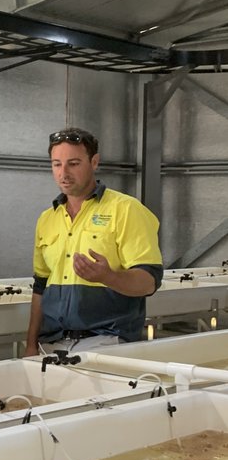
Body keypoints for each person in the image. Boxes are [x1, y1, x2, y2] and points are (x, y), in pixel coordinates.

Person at [26, 127, 163, 355]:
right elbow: (40, 287)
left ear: (94, 162)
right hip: (50, 344)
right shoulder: (47, 219)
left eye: (74, 163)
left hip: (106, 344)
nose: (64, 173)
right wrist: (31, 345)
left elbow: (149, 282)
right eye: (56, 164)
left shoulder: (126, 209)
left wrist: (108, 277)